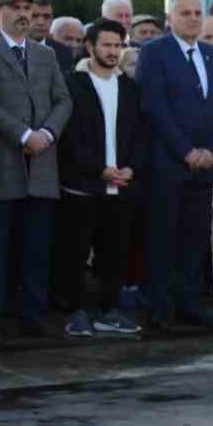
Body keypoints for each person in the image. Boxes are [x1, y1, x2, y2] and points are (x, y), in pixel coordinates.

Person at [0, 0, 67, 344]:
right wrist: (24, 136)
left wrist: (48, 134)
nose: (24, 14)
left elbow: (62, 99)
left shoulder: (45, 55)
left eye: (28, 7)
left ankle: (32, 316)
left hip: (42, 164)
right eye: (16, 8)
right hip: (0, 163)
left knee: (36, 247)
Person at [138, 0, 213, 332]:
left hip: (207, 166)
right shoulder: (154, 53)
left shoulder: (212, 55)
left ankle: (188, 305)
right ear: (170, 18)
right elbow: (155, 108)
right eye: (185, 13)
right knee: (163, 239)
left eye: (197, 12)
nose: (193, 18)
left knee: (195, 239)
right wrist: (186, 151)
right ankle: (160, 310)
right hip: (168, 165)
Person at [56, 17, 145, 337]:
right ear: (90, 47)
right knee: (75, 252)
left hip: (121, 186)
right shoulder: (71, 84)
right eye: (106, 45)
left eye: (118, 46)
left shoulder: (131, 88)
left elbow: (139, 135)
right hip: (82, 185)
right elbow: (68, 137)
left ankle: (110, 310)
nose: (112, 51)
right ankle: (76, 312)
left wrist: (130, 169)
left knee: (115, 252)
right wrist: (99, 169)